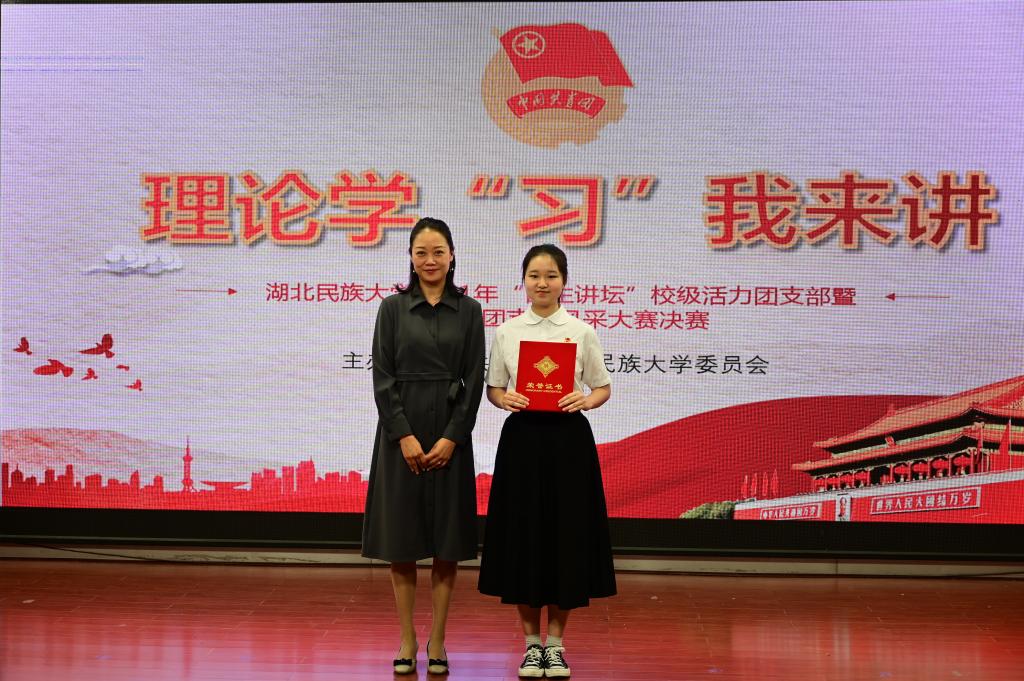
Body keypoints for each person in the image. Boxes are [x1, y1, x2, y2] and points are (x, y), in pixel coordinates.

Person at [478, 244, 616, 679]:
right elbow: (494, 387)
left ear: (564, 281)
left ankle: (555, 645)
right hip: (522, 442)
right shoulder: (507, 331)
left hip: (568, 442)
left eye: (551, 275)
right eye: (535, 275)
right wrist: (503, 399)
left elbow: (602, 386)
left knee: (564, 538)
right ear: (523, 281)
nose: (542, 283)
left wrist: (585, 400)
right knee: (524, 538)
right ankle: (530, 646)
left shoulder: (581, 331)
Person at [361, 217, 485, 675]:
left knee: (446, 547)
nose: (430, 260)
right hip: (402, 438)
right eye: (421, 253)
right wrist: (405, 435)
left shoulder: (469, 310)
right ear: (410, 258)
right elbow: (382, 378)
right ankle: (407, 638)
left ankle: (438, 639)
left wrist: (453, 436)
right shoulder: (392, 309)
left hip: (451, 436)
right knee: (403, 545)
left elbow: (474, 379)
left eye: (438, 252)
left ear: (452, 256)